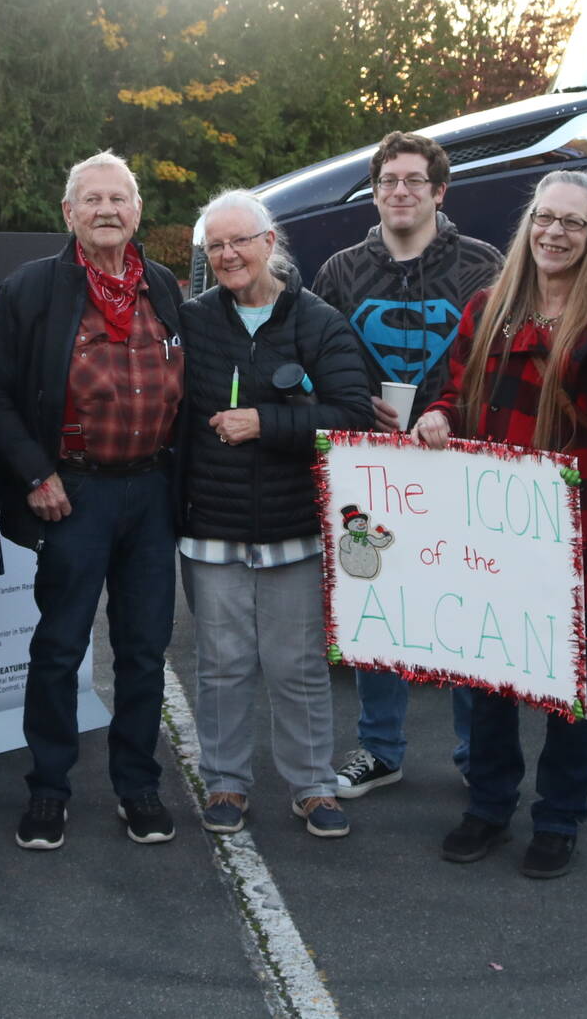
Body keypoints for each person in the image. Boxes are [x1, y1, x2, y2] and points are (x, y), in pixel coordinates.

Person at [415, 170, 587, 878]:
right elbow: (456, 390)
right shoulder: (489, 306)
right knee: (487, 672)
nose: (554, 232)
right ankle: (488, 804)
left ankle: (557, 818)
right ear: (529, 224)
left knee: (567, 685)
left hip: (580, 523)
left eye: (572, 223)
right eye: (545, 218)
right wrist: (437, 414)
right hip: (494, 524)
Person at [0, 151, 186, 852]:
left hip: (151, 491)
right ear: (68, 213)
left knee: (144, 649)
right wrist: (35, 471)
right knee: (60, 647)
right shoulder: (34, 287)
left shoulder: (164, 286)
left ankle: (137, 783)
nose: (106, 210)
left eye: (118, 198)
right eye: (91, 199)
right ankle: (49, 788)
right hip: (73, 492)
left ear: (137, 211)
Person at [309, 131, 502, 798]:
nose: (399, 191)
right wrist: (354, 402)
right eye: (388, 179)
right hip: (370, 468)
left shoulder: (481, 265)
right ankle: (380, 747)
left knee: (466, 607)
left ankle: (479, 753)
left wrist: (452, 409)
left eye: (414, 180)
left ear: (438, 191)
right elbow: (316, 362)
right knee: (376, 600)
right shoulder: (338, 270)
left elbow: (499, 363)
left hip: (457, 464)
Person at [178, 189, 371, 839]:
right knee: (223, 663)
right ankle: (226, 781)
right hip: (212, 527)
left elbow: (351, 414)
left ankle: (313, 784)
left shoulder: (318, 321)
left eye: (240, 240)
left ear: (269, 241)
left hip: (293, 526)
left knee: (296, 664)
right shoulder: (194, 320)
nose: (229, 254)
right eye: (216, 245)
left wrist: (267, 422)